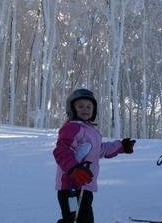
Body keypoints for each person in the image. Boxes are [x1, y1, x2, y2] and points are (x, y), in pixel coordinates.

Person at [53, 88, 135, 223]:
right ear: (71, 109)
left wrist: (121, 146)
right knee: (75, 218)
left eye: (89, 106)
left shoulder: (91, 131)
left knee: (79, 218)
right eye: (80, 106)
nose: (85, 109)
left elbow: (100, 149)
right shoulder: (72, 128)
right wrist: (74, 169)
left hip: (85, 186)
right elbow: (62, 150)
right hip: (71, 189)